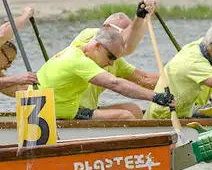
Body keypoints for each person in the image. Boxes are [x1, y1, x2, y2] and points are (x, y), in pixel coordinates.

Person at [37, 27, 175, 121]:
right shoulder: (78, 61)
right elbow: (115, 84)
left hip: (50, 110)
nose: (111, 63)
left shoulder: (74, 50)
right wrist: (156, 97)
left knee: (133, 109)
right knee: (125, 116)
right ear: (96, 46)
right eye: (111, 57)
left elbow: (142, 77)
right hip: (56, 115)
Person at [70, 0, 160, 119]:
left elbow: (145, 79)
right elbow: (126, 45)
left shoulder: (113, 61)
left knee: (133, 110)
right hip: (71, 111)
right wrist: (141, 16)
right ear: (106, 27)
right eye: (121, 33)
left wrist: (179, 81)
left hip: (90, 110)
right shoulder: (90, 37)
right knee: (126, 116)